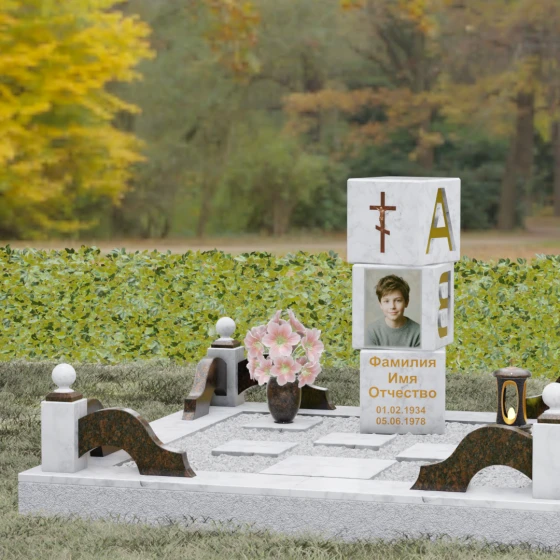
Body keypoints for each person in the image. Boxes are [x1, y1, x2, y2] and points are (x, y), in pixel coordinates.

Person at [366, 274, 421, 348]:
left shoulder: (419, 332)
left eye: (398, 300)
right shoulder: (372, 331)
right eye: (386, 301)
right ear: (380, 304)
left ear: (406, 302)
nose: (392, 306)